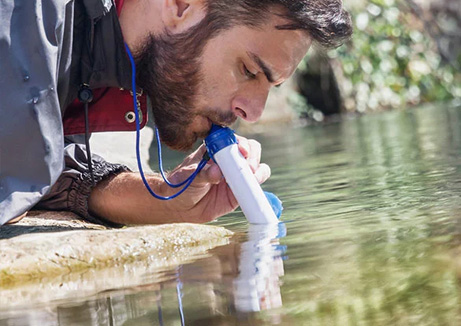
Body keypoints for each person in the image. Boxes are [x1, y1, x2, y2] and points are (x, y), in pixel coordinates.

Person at [0, 0, 352, 226]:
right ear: (181, 5)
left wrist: (159, 198)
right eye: (248, 70)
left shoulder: (108, 54)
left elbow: (26, 163)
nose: (253, 112)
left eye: (269, 86)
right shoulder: (31, 15)